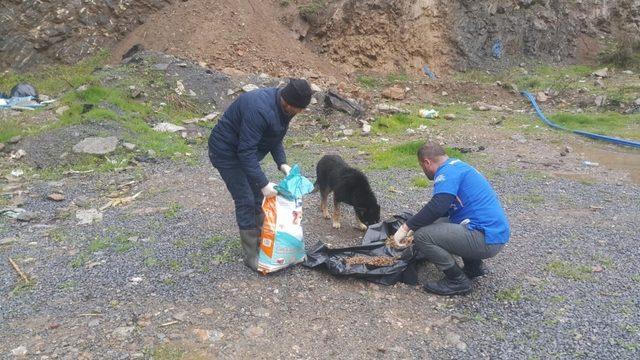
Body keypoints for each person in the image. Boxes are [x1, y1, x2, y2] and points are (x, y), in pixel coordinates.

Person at [208, 78, 313, 271]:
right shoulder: (260, 109)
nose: (300, 113)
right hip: (225, 152)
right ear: (288, 103)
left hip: (244, 151)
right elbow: (245, 152)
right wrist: (264, 184)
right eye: (299, 109)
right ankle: (251, 255)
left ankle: (264, 240)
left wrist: (282, 164)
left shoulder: (284, 109)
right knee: (246, 199)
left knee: (257, 196)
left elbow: (275, 137)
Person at [392, 142, 510, 295]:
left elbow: (438, 206)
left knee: (423, 236)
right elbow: (443, 211)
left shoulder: (445, 173)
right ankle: (473, 268)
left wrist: (406, 227)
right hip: (493, 233)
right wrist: (417, 223)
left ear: (427, 162)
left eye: (422, 167)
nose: (424, 171)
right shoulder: (458, 166)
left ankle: (457, 281)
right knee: (434, 224)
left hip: (485, 238)